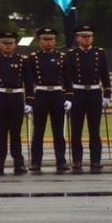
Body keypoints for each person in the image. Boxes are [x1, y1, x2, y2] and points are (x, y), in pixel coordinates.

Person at [24, 27, 72, 174]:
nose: (48, 42)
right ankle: (36, 162)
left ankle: (61, 161)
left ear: (55, 41)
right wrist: (29, 100)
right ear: (40, 41)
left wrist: (69, 96)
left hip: (57, 94)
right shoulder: (33, 58)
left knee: (59, 132)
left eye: (51, 39)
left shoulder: (62, 57)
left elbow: (67, 78)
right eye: (45, 39)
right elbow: (28, 80)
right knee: (38, 131)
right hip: (41, 95)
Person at [65, 24, 111, 173]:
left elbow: (105, 75)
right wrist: (68, 96)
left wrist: (107, 95)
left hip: (94, 93)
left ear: (93, 38)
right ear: (78, 38)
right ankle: (77, 160)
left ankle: (95, 160)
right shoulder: (71, 54)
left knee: (94, 130)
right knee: (76, 130)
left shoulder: (99, 53)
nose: (86, 39)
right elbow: (67, 77)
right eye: (83, 36)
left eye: (89, 36)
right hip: (78, 94)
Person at [0, 31, 29, 175]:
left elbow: (29, 82)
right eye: (4, 43)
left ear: (15, 45)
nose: (7, 46)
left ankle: (19, 163)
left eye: (10, 43)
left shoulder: (23, 60)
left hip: (16, 97)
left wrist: (29, 100)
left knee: (16, 132)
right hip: (0, 96)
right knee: (1, 132)